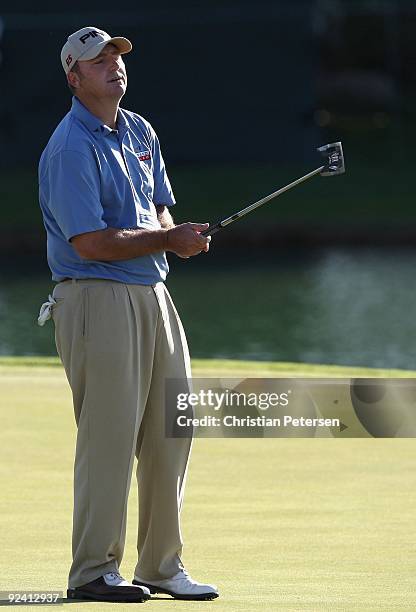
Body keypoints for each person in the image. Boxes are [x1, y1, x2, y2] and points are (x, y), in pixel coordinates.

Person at [38, 26, 218, 604]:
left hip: (152, 293)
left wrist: (175, 234)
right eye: (99, 59)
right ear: (74, 77)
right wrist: (168, 242)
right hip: (95, 296)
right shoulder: (69, 147)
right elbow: (89, 241)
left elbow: (158, 206)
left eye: (117, 55)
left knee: (173, 427)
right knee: (110, 439)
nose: (114, 65)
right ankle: (92, 572)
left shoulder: (139, 129)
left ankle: (161, 566)